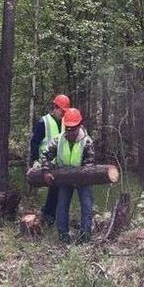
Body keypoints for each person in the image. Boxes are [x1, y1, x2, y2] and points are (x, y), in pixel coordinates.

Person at [40, 108, 95, 244]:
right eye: (68, 128)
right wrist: (46, 171)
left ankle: (84, 238)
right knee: (62, 207)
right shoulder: (58, 140)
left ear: (79, 125)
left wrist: (81, 176)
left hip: (83, 179)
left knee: (87, 206)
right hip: (64, 178)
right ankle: (64, 238)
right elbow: (45, 155)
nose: (70, 132)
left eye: (73, 128)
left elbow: (90, 163)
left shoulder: (87, 142)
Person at [30, 94, 71, 225]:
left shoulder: (65, 122)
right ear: (55, 108)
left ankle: (52, 215)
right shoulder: (44, 122)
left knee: (60, 191)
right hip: (46, 162)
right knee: (55, 189)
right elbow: (35, 142)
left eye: (65, 112)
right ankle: (48, 215)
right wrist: (35, 160)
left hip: (60, 163)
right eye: (62, 111)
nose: (63, 114)